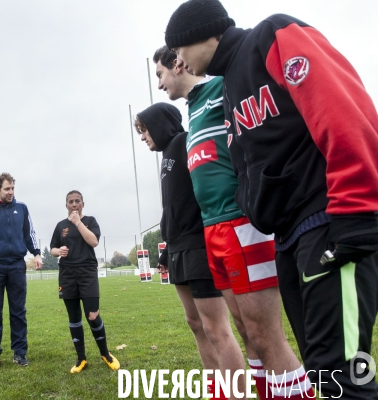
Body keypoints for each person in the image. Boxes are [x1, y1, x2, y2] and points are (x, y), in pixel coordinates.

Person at [165, 1, 378, 398]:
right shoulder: (230, 83)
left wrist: (354, 212)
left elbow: (342, 110)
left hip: (331, 223)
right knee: (320, 372)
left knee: (343, 375)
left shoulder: (271, 36)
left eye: (178, 50)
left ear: (201, 33)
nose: (179, 62)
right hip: (290, 237)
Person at [154, 43, 313, 400]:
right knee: (245, 332)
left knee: (264, 336)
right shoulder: (194, 110)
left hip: (241, 223)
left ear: (178, 64)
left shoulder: (221, 88)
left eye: (160, 75)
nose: (160, 84)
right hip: (214, 230)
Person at [134, 103, 243, 398]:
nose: (143, 137)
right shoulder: (165, 155)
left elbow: (202, 193)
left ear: (160, 123)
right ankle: (215, 389)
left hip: (198, 244)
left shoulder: (184, 142)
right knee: (195, 323)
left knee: (216, 328)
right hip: (178, 247)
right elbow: (173, 204)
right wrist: (167, 249)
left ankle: (236, 394)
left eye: (144, 130)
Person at [49, 191, 121, 374]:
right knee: (74, 318)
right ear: (66, 205)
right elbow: (52, 249)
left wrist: (77, 222)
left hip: (87, 273)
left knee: (92, 315)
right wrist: (59, 251)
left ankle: (105, 353)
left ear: (83, 204)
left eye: (77, 201)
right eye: (71, 202)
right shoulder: (60, 226)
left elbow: (94, 241)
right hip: (67, 274)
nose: (74, 204)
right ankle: (81, 359)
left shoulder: (90, 221)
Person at [0, 173, 43, 372]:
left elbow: (29, 232)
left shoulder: (21, 208)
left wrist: (37, 253)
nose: (11, 192)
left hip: (17, 265)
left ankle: (20, 352)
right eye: (7, 189)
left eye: (13, 188)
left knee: (18, 311)